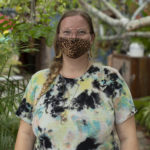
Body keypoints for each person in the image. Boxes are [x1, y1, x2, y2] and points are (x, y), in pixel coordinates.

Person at [15, 9, 139, 150]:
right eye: (67, 32)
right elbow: (25, 135)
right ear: (58, 37)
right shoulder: (38, 81)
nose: (73, 37)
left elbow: (128, 137)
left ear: (91, 38)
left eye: (81, 32)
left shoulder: (111, 79)